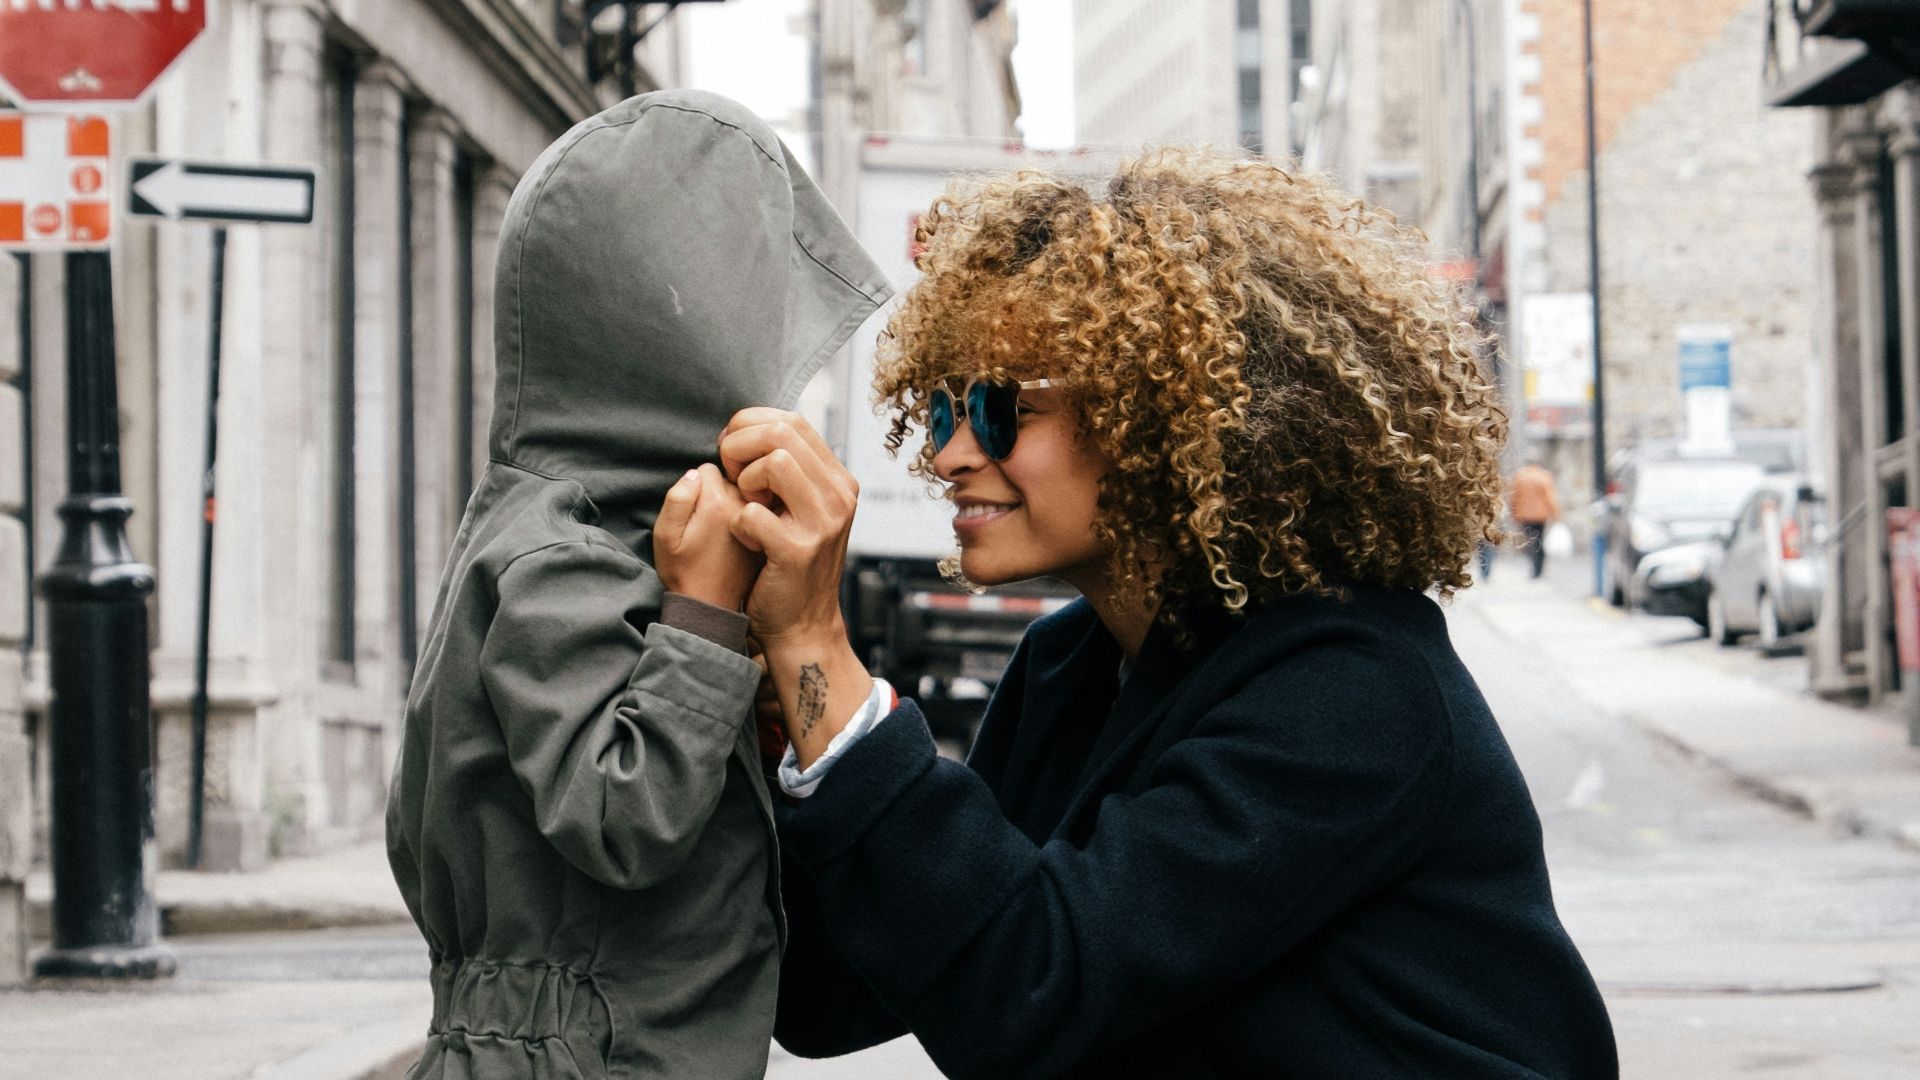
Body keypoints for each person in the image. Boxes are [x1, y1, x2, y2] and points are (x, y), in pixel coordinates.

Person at [721, 149, 1618, 1078]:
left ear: (1159, 418)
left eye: (999, 410)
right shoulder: (1069, 665)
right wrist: (787, 725)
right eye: (943, 408)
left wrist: (818, 648)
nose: (949, 454)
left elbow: (1031, 991)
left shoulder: (1354, 692)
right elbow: (835, 995)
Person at [383, 90, 889, 1080]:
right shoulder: (557, 549)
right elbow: (625, 817)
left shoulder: (616, 527)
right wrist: (700, 621)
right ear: (675, 329)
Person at [1510, 457, 1562, 579]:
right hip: (1540, 515)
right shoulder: (1544, 476)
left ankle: (1533, 566)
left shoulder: (1520, 476)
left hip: (1524, 514)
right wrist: (1556, 514)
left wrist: (1514, 513)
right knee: (1539, 540)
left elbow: (1514, 497)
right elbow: (1550, 496)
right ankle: (1539, 568)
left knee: (1530, 541)